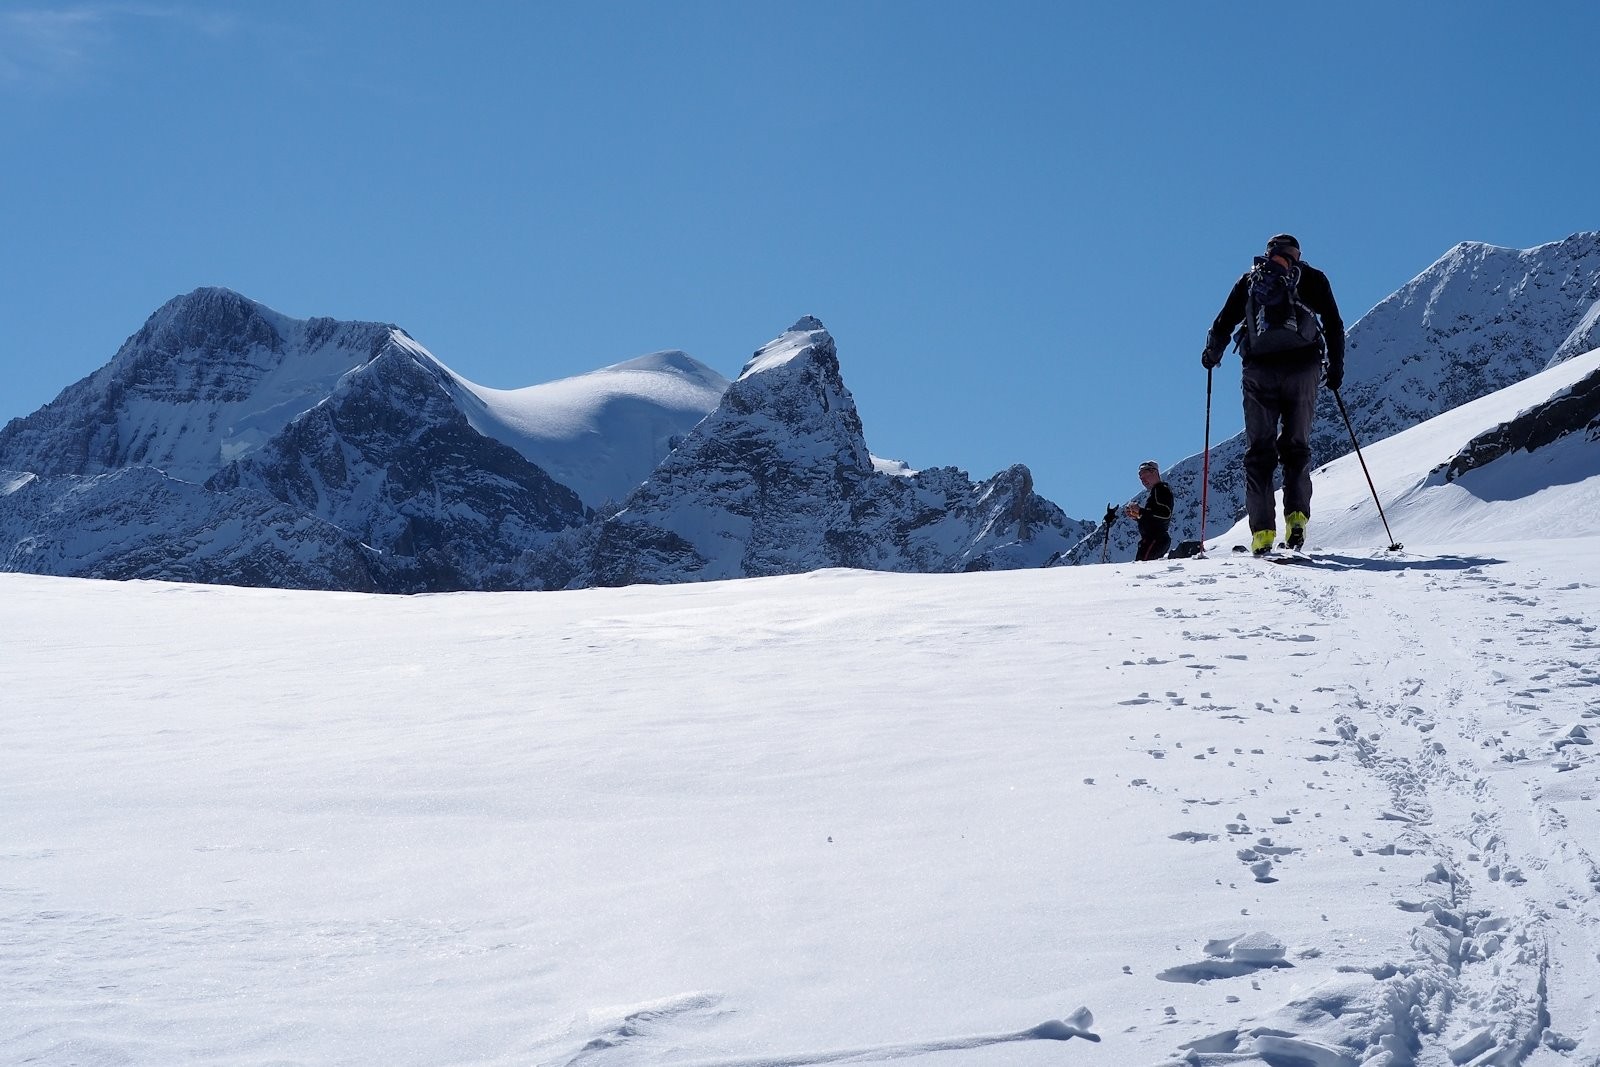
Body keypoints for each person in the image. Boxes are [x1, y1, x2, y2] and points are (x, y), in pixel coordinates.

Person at [1201, 234, 1345, 555]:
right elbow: (1333, 323)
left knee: (1259, 453)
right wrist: (1335, 368)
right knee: (1296, 447)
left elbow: (1223, 322)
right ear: (1297, 255)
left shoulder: (1251, 281)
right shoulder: (1313, 279)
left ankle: (1263, 533)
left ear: (1268, 253)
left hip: (1259, 371)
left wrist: (1212, 353)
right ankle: (1296, 519)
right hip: (1304, 369)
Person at [1125, 460, 1173, 561]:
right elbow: (1154, 516)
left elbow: (1165, 513)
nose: (1143, 479)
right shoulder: (1156, 491)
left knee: (1142, 569)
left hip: (1155, 539)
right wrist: (1138, 516)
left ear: (1154, 472)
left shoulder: (1160, 489)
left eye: (1145, 474)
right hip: (1152, 540)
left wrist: (1140, 511)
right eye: (1140, 477)